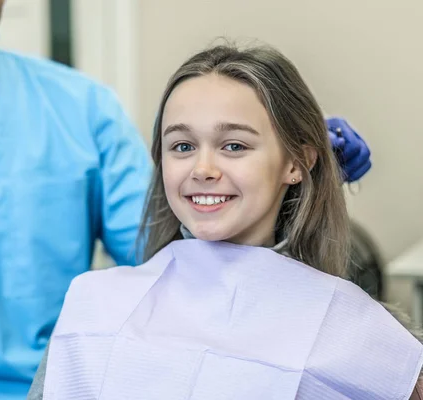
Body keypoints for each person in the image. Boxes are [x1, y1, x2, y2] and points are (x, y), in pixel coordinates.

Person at [0, 1, 371, 399]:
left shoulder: (81, 110)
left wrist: (272, 168)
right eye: (183, 144)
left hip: (71, 380)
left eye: (231, 145)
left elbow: (173, 245)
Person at [30, 42, 422, 399]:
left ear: (296, 163)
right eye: (182, 146)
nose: (202, 168)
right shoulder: (95, 307)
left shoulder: (350, 330)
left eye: (234, 145)